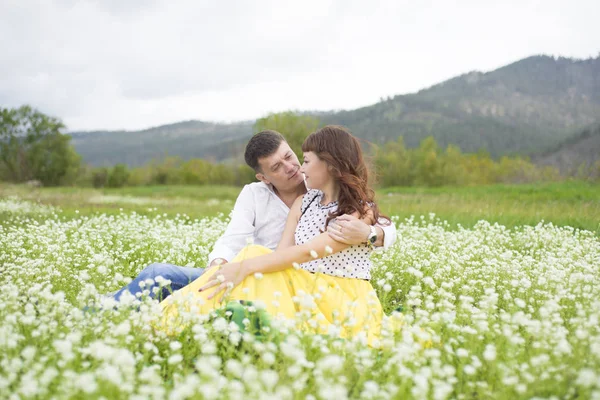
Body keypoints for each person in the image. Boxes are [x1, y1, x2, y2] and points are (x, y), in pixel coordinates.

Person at [160, 126, 394, 345]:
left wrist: (244, 267)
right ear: (264, 176)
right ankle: (178, 316)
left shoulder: (359, 210)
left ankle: (175, 320)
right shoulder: (304, 202)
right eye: (277, 167)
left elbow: (305, 252)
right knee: (249, 261)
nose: (298, 169)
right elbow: (280, 253)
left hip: (340, 298)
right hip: (305, 285)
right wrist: (234, 266)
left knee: (250, 262)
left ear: (330, 166)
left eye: (303, 161)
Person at [110, 130, 396, 303]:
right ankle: (104, 314)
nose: (292, 167)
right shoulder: (256, 194)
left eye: (290, 156)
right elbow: (233, 238)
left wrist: (370, 234)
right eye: (277, 166)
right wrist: (220, 265)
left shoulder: (322, 183)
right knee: (160, 274)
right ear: (263, 176)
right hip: (257, 272)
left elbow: (379, 223)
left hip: (288, 281)